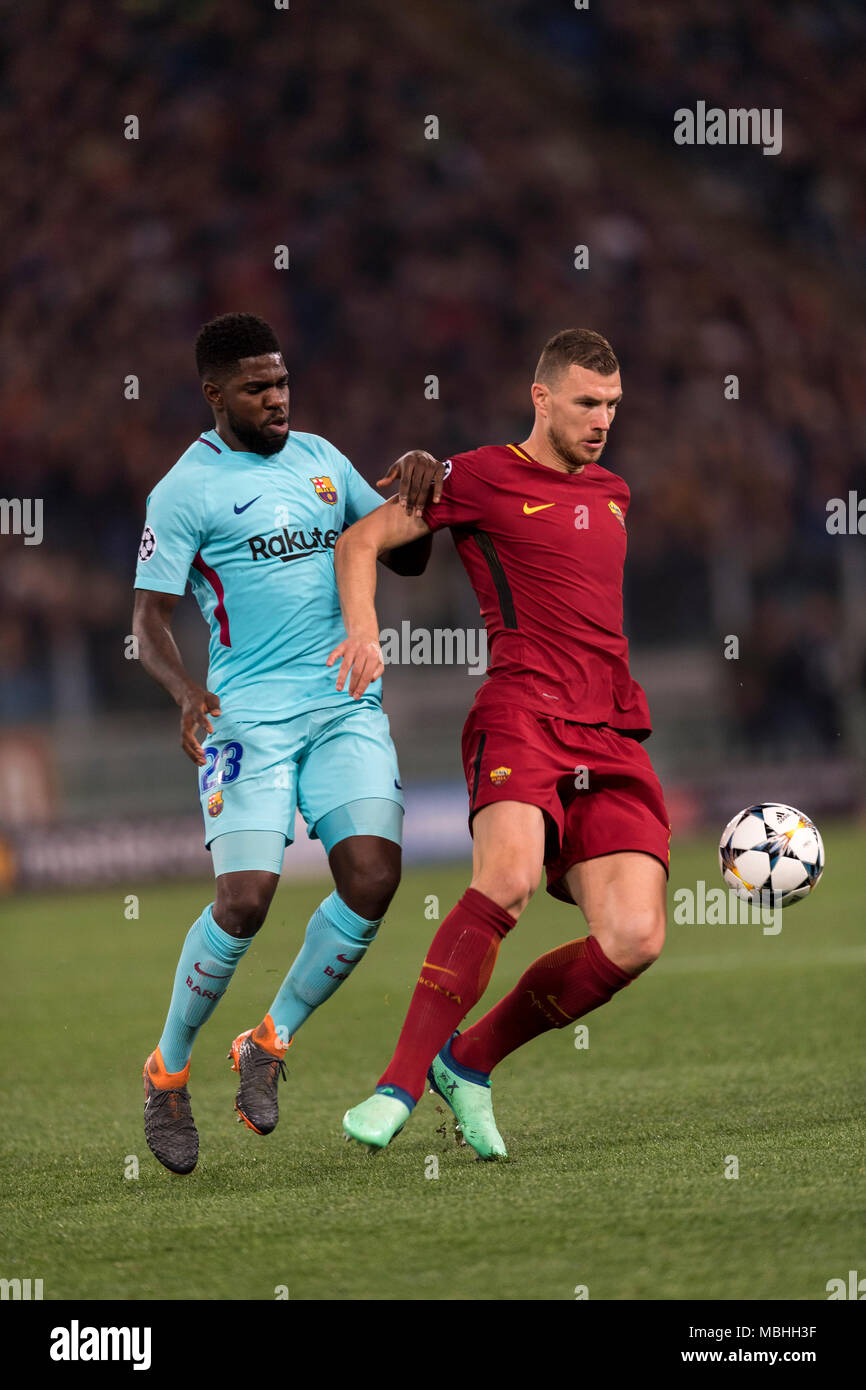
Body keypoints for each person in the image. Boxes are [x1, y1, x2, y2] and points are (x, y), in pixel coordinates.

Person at [329, 327, 670, 1158]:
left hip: (612, 729)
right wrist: (366, 632)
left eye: (613, 406)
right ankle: (397, 1085)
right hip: (522, 709)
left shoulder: (617, 491)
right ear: (541, 397)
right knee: (508, 879)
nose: (601, 420)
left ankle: (469, 1063)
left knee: (635, 938)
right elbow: (360, 539)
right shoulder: (478, 476)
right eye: (587, 403)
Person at [133, 312, 443, 1174]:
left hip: (344, 703)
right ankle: (167, 1072)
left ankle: (267, 1042)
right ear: (214, 395)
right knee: (245, 900)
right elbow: (148, 618)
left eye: (282, 383)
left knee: (376, 877)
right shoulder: (185, 490)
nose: (277, 399)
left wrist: (419, 496)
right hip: (247, 718)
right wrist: (184, 690)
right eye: (257, 388)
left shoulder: (319, 458)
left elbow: (403, 557)